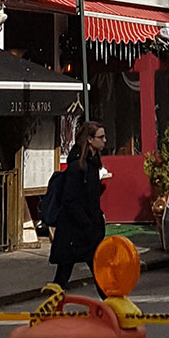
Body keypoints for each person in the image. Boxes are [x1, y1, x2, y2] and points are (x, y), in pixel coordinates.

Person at [49, 122, 107, 294]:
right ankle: (48, 311)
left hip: (85, 231)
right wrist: (88, 223)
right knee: (64, 275)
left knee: (97, 272)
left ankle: (112, 310)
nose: (105, 140)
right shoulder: (77, 167)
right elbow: (70, 200)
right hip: (74, 232)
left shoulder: (92, 165)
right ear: (89, 139)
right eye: (101, 137)